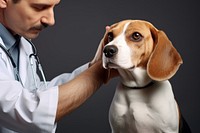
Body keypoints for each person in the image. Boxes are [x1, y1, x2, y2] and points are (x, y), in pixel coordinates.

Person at [0, 0, 117, 132]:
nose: (51, 20)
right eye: (39, 7)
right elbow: (29, 111)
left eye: (53, 7)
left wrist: (95, 64)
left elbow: (34, 93)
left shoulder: (20, 43)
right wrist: (99, 71)